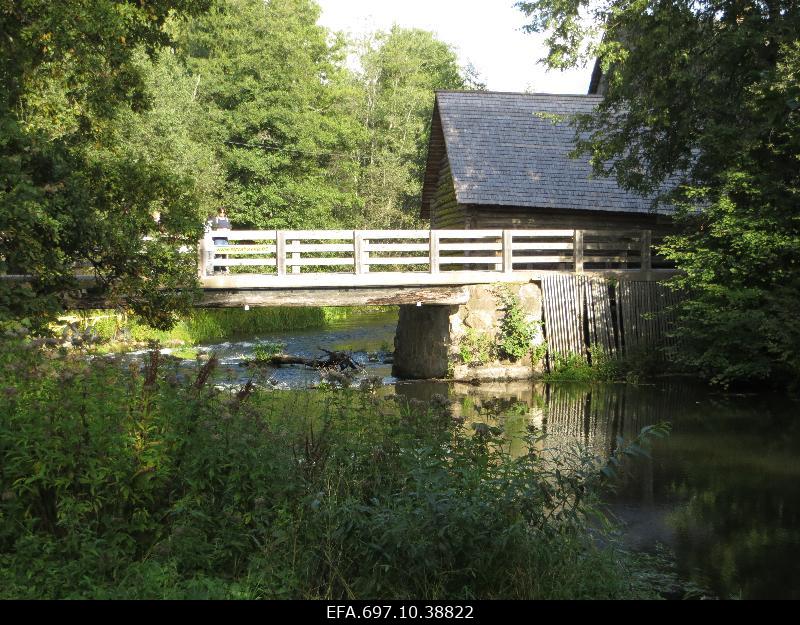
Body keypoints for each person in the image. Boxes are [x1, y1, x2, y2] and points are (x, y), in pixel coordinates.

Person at [210, 208, 231, 274]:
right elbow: (213, 228)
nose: (222, 214)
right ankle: (216, 269)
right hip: (218, 239)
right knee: (218, 254)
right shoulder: (215, 219)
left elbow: (230, 227)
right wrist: (219, 229)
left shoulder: (227, 219)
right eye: (221, 212)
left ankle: (223, 268)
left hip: (225, 239)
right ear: (218, 212)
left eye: (223, 212)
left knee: (224, 254)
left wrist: (227, 229)